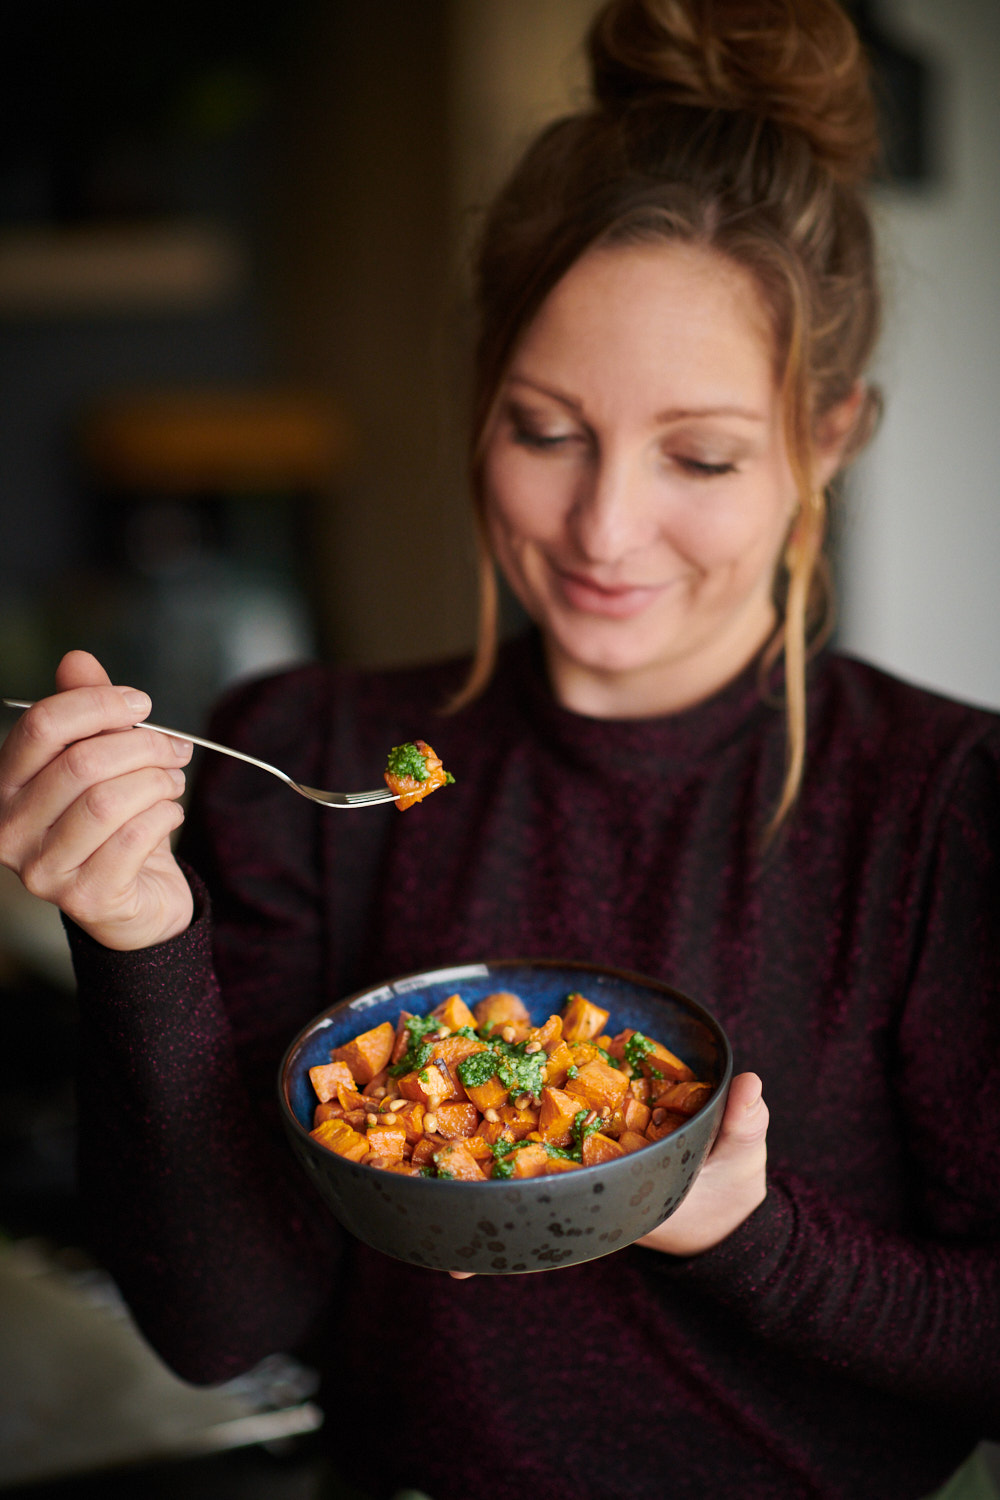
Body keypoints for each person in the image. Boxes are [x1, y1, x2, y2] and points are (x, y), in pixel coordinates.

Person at [1, 1, 998, 1496]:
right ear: (479, 407)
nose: (603, 530)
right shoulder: (309, 754)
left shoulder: (942, 807)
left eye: (701, 456)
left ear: (829, 439)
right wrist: (140, 937)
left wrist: (743, 1225)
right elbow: (220, 1332)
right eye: (546, 432)